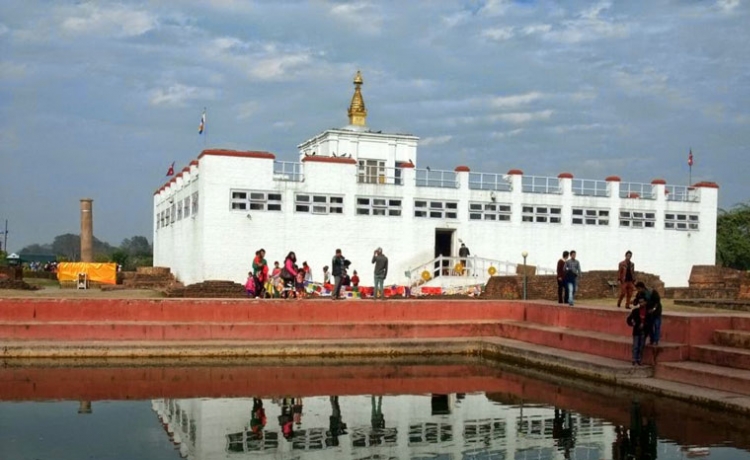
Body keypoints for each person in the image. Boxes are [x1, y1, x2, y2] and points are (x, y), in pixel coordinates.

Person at [635, 281, 663, 346]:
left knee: (656, 325)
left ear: (642, 288)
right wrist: (634, 302)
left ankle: (656, 340)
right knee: (649, 326)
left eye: (638, 289)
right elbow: (637, 300)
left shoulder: (652, 292)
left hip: (656, 311)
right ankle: (652, 339)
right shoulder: (640, 294)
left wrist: (653, 309)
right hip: (647, 312)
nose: (638, 290)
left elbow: (657, 302)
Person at [627, 295, 651, 365]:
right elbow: (629, 319)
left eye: (642, 302)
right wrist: (632, 324)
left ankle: (639, 360)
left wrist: (645, 325)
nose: (641, 304)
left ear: (645, 302)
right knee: (636, 346)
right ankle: (634, 359)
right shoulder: (635, 311)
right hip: (636, 331)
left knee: (641, 346)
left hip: (644, 331)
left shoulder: (648, 312)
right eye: (640, 302)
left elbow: (650, 322)